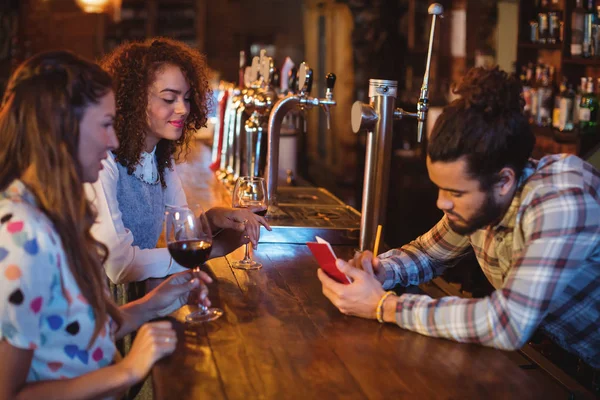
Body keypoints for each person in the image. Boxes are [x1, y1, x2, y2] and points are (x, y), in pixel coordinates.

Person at [318, 67, 600, 369]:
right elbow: (428, 253)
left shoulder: (560, 201)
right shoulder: (483, 199)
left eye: (456, 192)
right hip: (564, 358)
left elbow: (506, 322)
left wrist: (383, 306)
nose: (442, 202)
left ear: (503, 181)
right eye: (440, 188)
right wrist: (381, 272)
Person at [0, 50, 213, 398]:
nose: (114, 141)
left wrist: (155, 302)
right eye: (105, 125)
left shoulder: (51, 214)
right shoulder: (24, 235)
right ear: (62, 126)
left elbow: (76, 333)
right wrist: (127, 369)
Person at [87, 37, 270, 285]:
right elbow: (120, 266)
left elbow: (182, 231)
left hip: (134, 304)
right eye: (169, 98)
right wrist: (211, 249)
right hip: (93, 311)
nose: (183, 109)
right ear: (134, 100)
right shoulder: (102, 161)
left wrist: (213, 220)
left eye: (186, 97)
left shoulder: (159, 157)